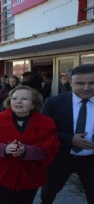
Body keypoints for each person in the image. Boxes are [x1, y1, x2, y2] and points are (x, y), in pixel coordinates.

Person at [0, 85, 59, 204]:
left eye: (25, 99)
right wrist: (4, 149)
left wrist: (26, 151)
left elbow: (51, 150)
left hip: (31, 175)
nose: (18, 102)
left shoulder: (47, 122)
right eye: (14, 98)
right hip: (2, 174)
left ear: (33, 104)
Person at [41, 64, 94, 204]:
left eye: (92, 83)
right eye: (81, 83)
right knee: (48, 192)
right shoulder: (54, 102)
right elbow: (43, 130)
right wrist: (70, 139)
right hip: (61, 158)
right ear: (70, 82)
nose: (86, 87)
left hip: (91, 161)